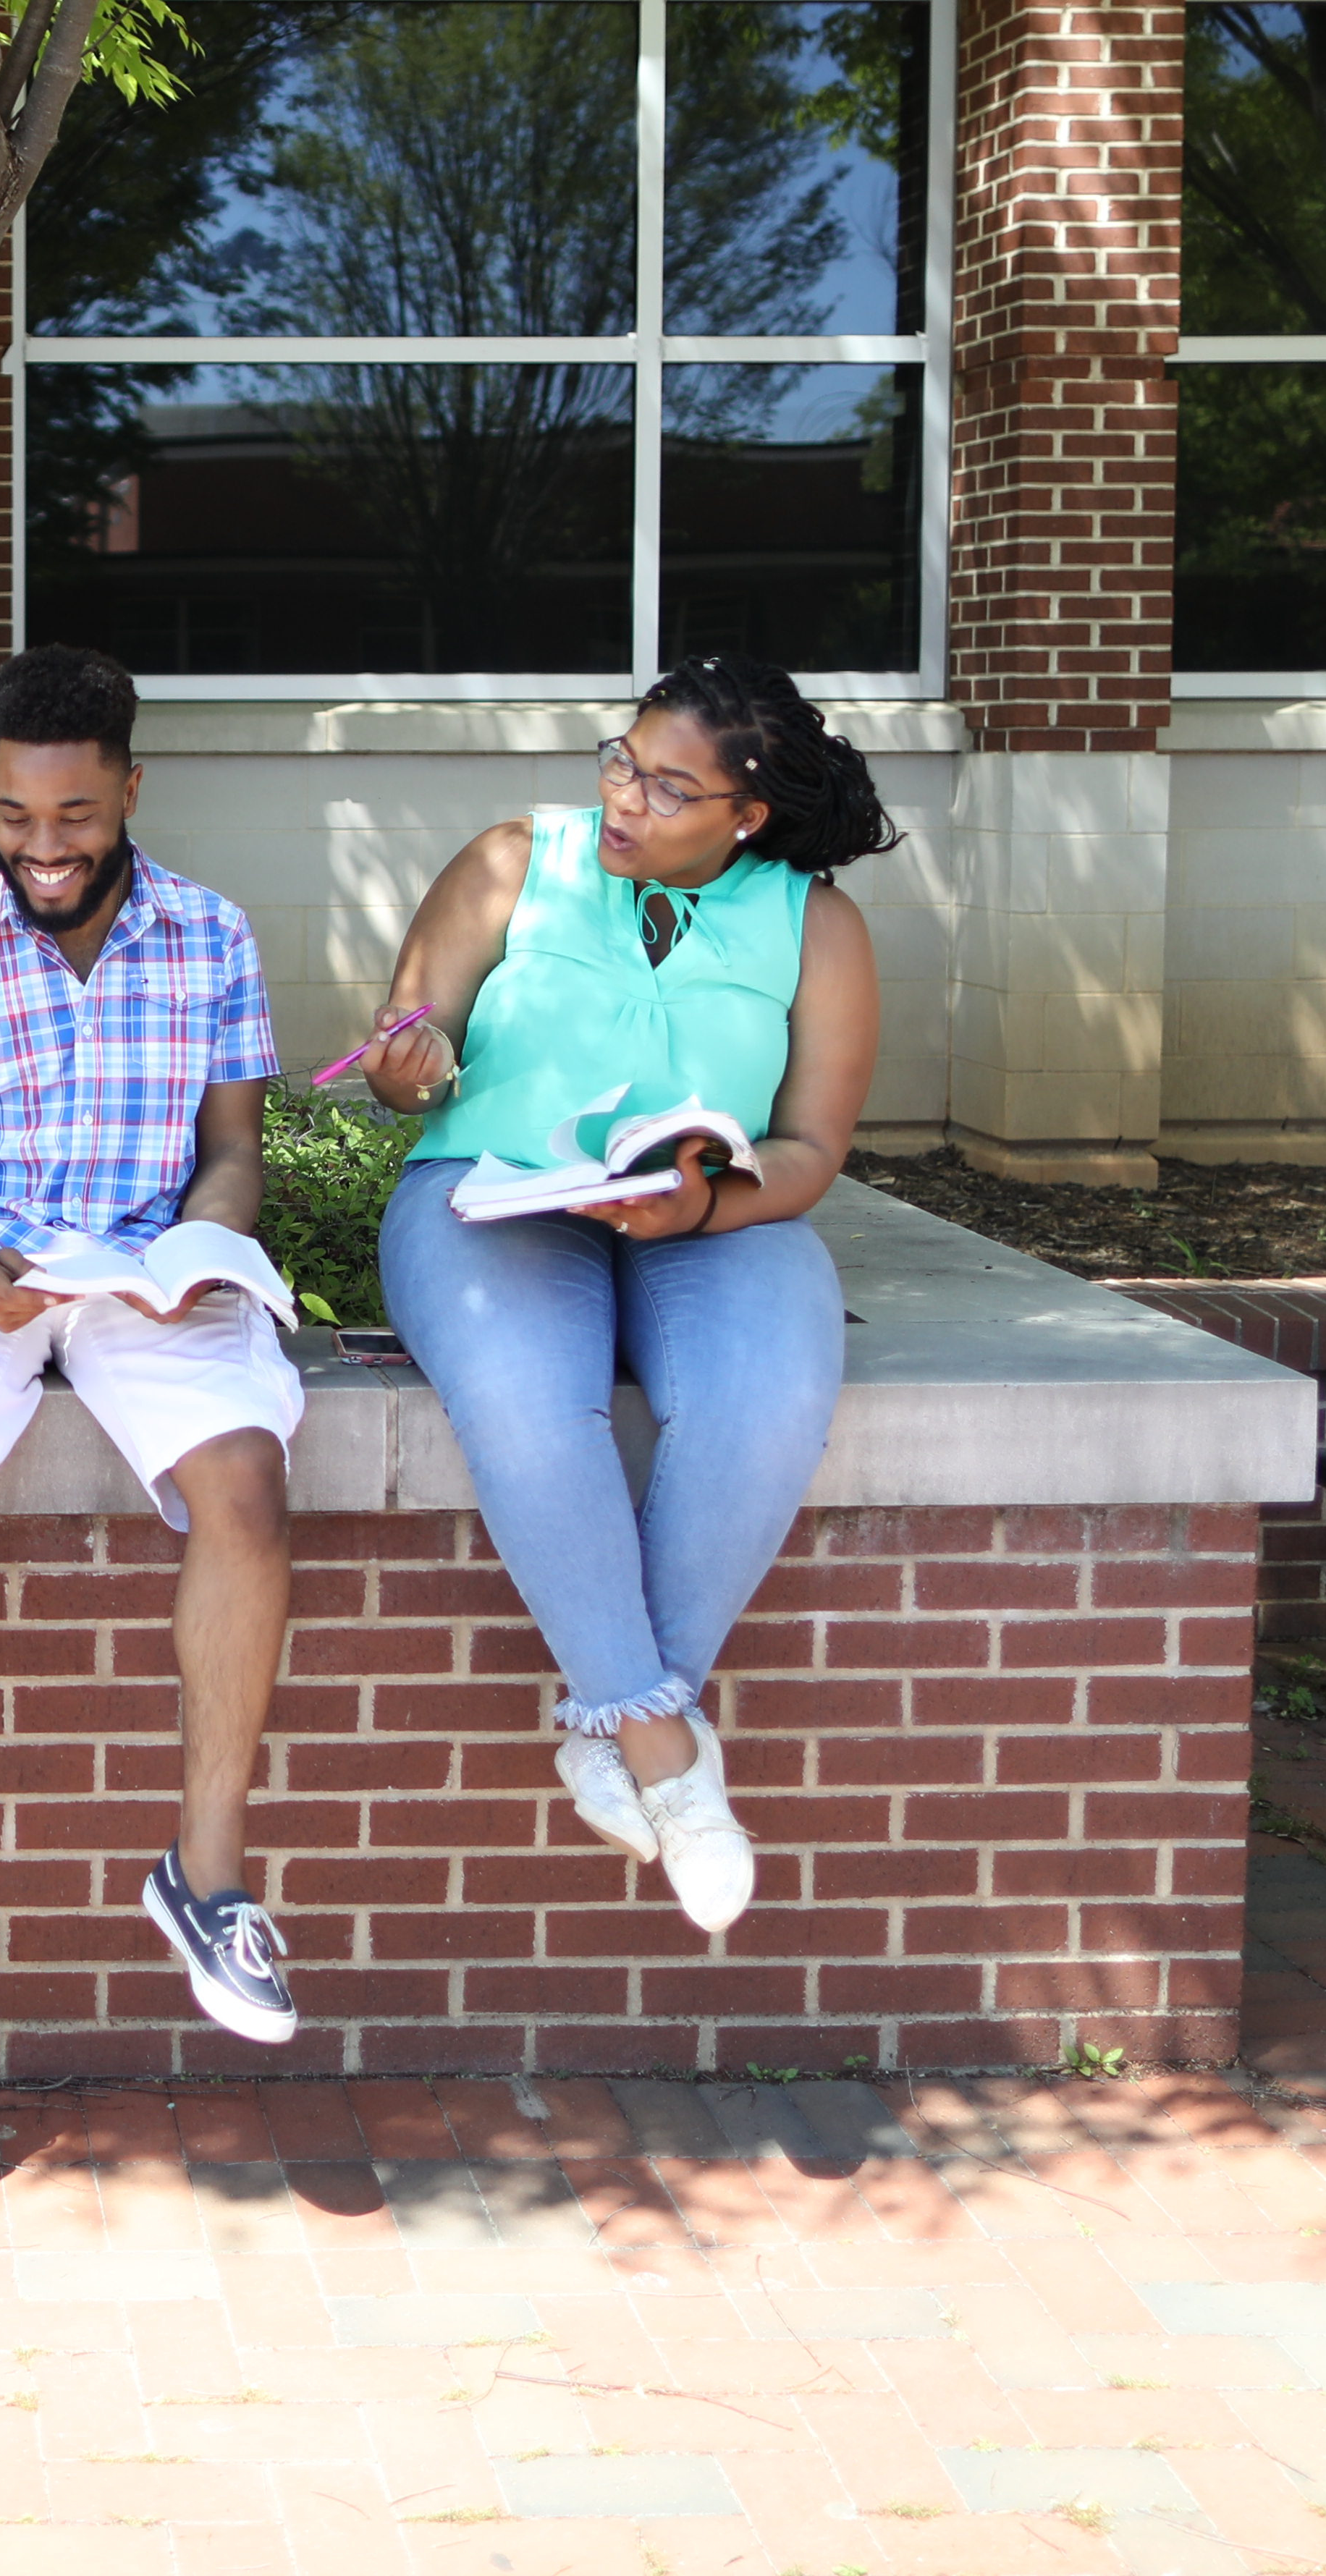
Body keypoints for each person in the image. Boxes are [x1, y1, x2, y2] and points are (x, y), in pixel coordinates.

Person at [0, 643, 307, 2046]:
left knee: (247, 1484)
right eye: (15, 818)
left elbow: (231, 1153)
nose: (41, 847)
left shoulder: (211, 937)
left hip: (145, 1269)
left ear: (130, 788)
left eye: (73, 818)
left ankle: (206, 1873)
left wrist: (194, 1256)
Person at [354, 654, 895, 1936]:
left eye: (667, 785)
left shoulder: (817, 927)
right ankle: (663, 1753)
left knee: (768, 1393)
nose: (626, 797)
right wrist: (411, 1063)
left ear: (744, 817)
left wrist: (703, 1203)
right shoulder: (510, 863)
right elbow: (396, 1066)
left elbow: (813, 1148)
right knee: (533, 1403)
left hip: (707, 1208)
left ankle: (621, 1719)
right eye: (621, 760)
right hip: (489, 1198)